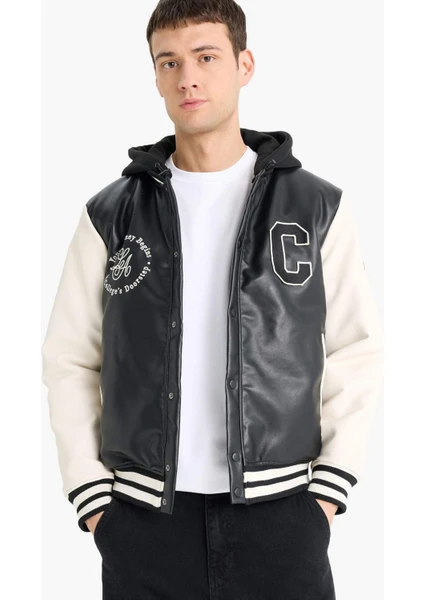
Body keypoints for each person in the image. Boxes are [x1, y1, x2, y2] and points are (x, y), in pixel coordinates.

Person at [41, 1, 384, 598]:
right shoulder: (111, 213)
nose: (188, 78)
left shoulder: (315, 207)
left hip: (282, 515)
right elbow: (69, 358)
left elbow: (357, 349)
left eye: (206, 57)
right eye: (169, 62)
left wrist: (328, 492)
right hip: (142, 519)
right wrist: (93, 501)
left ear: (244, 65)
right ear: (155, 76)